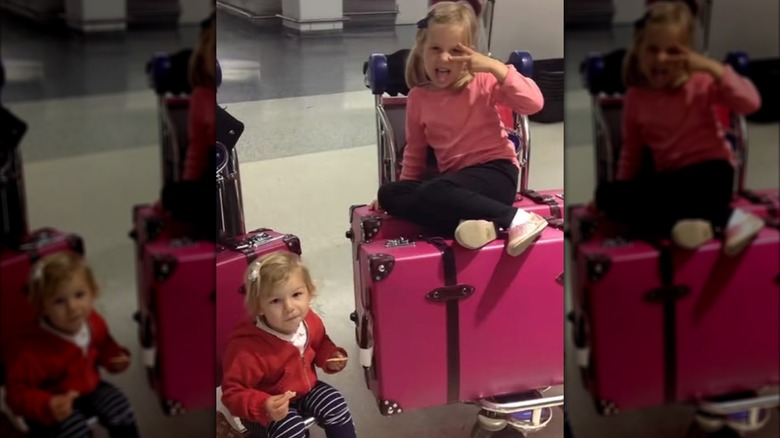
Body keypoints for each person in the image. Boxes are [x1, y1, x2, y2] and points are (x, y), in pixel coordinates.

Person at [371, 1, 548, 257]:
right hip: (456, 185)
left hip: (496, 173)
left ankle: (517, 219)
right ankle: (478, 225)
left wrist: (493, 66)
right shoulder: (419, 97)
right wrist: (404, 191)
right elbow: (415, 152)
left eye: (455, 50)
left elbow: (534, 103)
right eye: (435, 48)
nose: (444, 58)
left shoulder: (483, 81)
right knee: (389, 193)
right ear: (421, 49)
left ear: (470, 53)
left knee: (435, 191)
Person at [593, 2, 764, 256]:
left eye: (673, 51)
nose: (661, 58)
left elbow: (751, 103)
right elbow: (632, 150)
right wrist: (622, 190)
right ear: (639, 50)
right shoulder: (637, 97)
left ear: (688, 55)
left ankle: (730, 218)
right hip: (672, 180)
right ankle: (695, 224)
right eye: (653, 49)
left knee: (682, 192)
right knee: (608, 196)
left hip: (711, 173)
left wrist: (711, 67)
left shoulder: (701, 82)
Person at [221, 251, 356, 438]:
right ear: (259, 307)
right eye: (276, 300)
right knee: (291, 428)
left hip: (304, 390)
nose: (289, 307)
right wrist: (263, 406)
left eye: (296, 294)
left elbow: (320, 343)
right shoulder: (247, 349)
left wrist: (330, 356)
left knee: (335, 403)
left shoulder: (310, 321)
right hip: (265, 406)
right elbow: (232, 394)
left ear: (309, 292)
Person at [4, 252, 139, 438]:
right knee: (75, 432)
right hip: (51, 400)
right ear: (42, 306)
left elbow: (104, 344)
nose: (73, 307)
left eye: (79, 295)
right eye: (59, 301)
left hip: (88, 388)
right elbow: (15, 394)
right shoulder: (30, 349)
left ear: (93, 292)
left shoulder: (93, 321)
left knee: (120, 408)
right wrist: (47, 405)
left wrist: (115, 357)